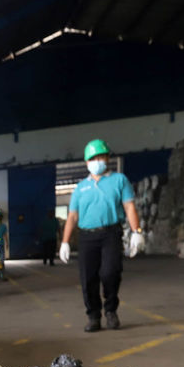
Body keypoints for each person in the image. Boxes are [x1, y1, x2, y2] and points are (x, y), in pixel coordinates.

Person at [60, 139, 145, 332]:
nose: (97, 161)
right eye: (93, 158)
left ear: (107, 158)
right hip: (87, 237)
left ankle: (110, 311)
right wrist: (65, 242)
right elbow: (72, 216)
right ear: (87, 162)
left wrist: (136, 231)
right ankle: (93, 316)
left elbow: (129, 206)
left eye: (100, 157)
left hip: (111, 234)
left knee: (110, 272)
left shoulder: (119, 180)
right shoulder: (81, 187)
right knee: (88, 278)